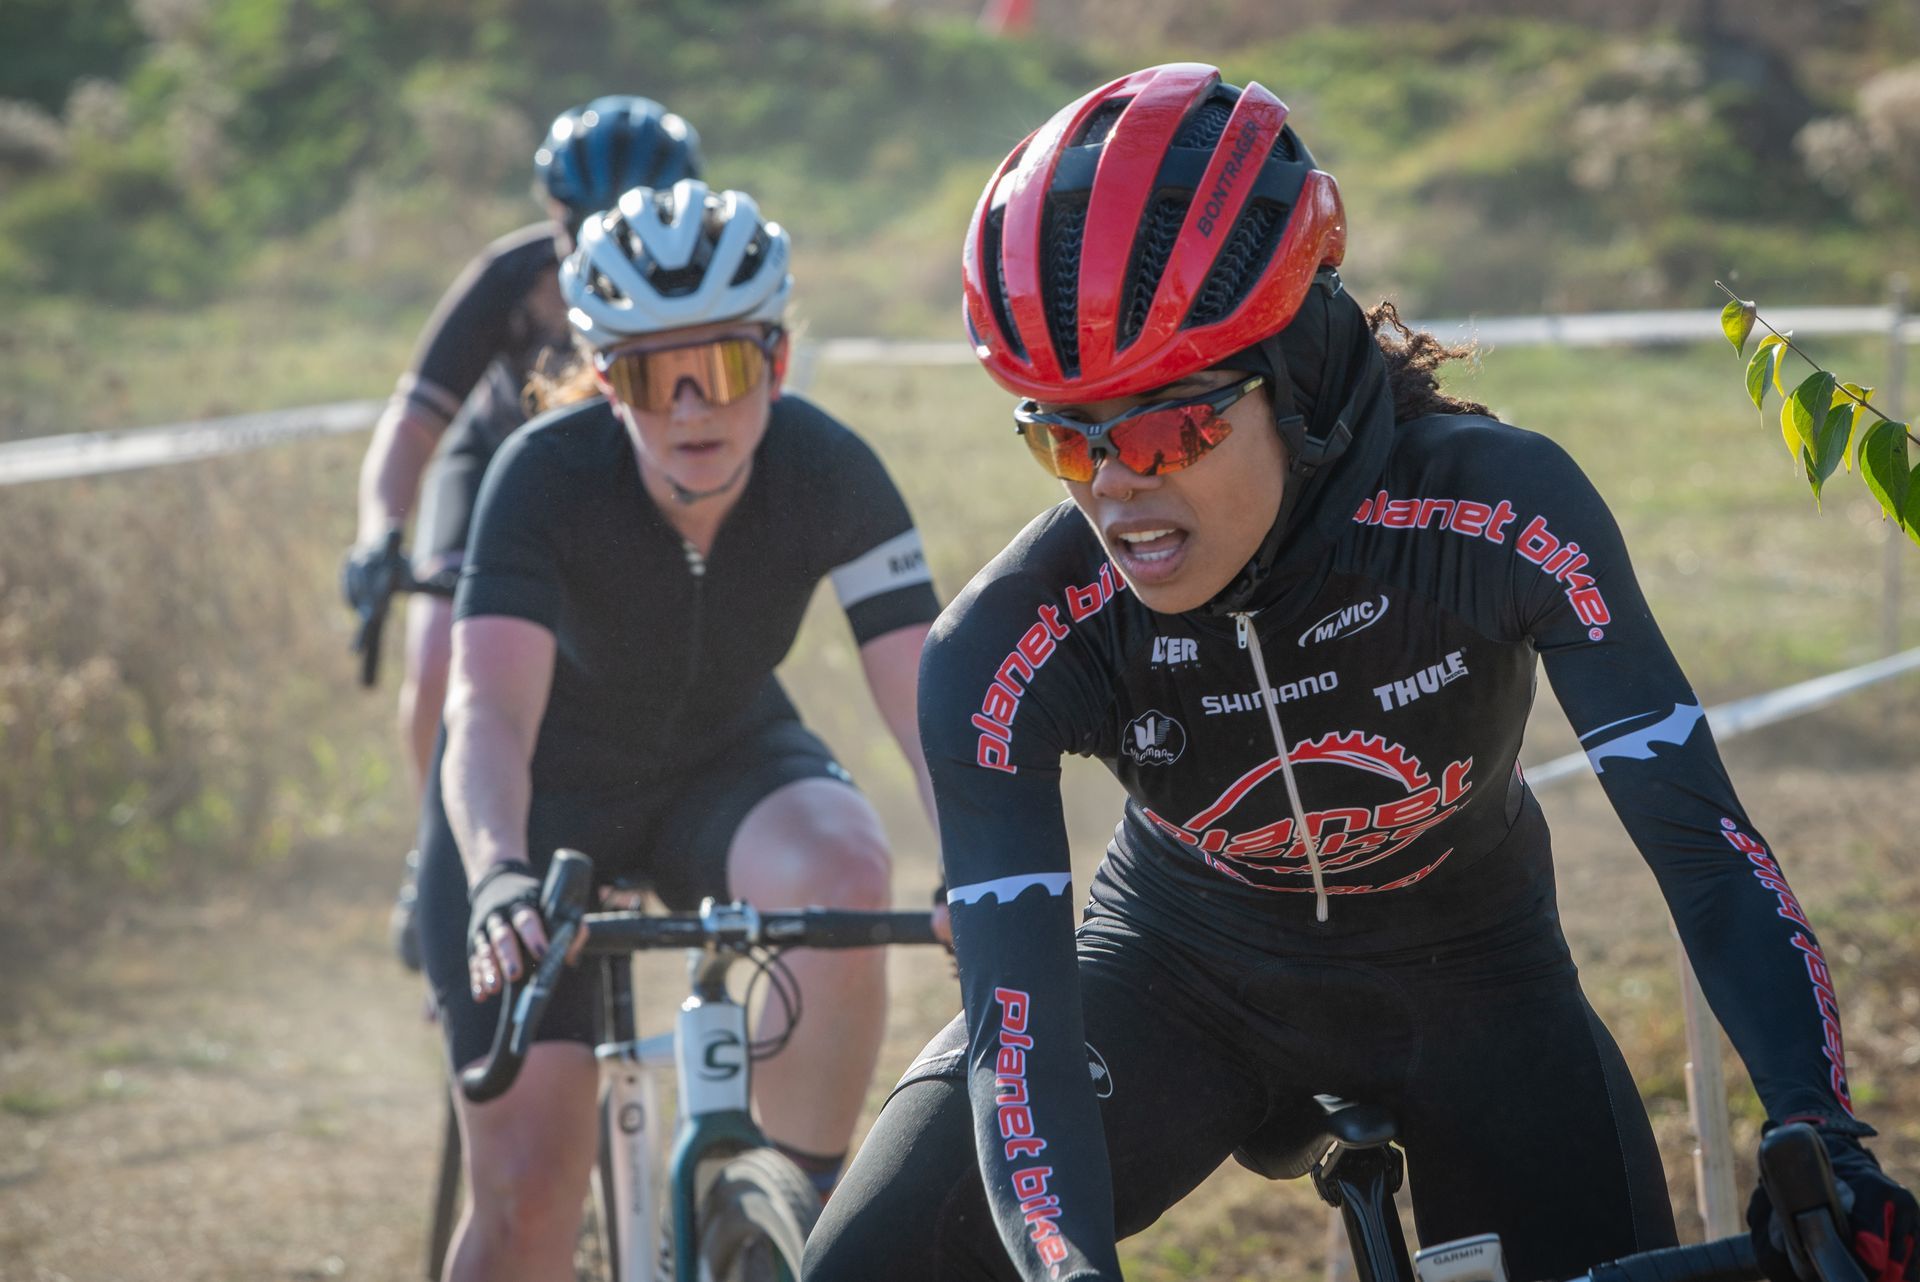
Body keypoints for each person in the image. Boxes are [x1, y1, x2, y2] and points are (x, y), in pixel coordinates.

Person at [806, 63, 1918, 1282]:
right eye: (1061, 436)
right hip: (1173, 976)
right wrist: (1065, 1264)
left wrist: (1821, 1133)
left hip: (1478, 977)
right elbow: (1017, 1031)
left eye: (1163, 428)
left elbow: (1705, 848)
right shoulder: (1013, 644)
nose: (1112, 485)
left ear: (1297, 377)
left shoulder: (1497, 510)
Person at [417, 178, 942, 1280]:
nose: (695, 406)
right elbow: (488, 711)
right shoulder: (542, 476)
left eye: (730, 365)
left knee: (848, 866)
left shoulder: (827, 465)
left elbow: (925, 697)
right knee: (526, 1205)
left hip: (723, 757)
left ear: (780, 361)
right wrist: (499, 873)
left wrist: (985, 867)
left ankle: (784, 1225)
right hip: (543, 802)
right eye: (655, 375)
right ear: (604, 376)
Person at [341, 96, 702, 965]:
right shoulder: (513, 278)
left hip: (616, 481)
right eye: (584, 227)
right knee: (437, 661)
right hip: (495, 468)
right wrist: (378, 530)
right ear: (555, 219)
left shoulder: (701, 287)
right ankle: (440, 847)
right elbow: (415, 420)